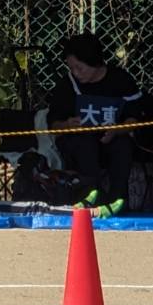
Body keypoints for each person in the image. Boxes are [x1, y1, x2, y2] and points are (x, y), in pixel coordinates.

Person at [50, 32, 142, 217]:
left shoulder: (120, 80)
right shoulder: (67, 85)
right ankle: (90, 197)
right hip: (79, 142)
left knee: (122, 146)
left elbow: (136, 119)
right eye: (71, 68)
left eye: (80, 67)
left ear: (94, 61)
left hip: (113, 137)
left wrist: (117, 130)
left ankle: (118, 200)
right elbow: (53, 125)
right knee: (84, 144)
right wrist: (68, 125)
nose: (75, 73)